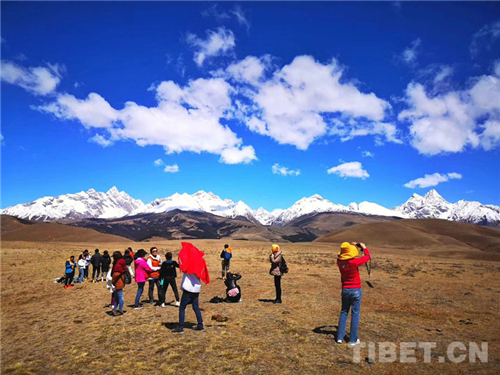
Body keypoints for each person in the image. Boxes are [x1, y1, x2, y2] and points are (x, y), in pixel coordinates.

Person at [336, 242, 371, 346]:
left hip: (345, 289)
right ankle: (353, 340)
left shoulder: (339, 261)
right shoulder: (354, 262)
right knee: (355, 313)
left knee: (344, 312)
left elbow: (346, 255)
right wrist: (364, 247)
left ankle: (339, 337)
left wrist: (351, 246)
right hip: (355, 289)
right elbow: (367, 257)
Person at [172, 242, 210, 334]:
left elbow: (183, 266)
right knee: (196, 307)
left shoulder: (188, 263)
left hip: (188, 289)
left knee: (182, 307)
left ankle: (181, 327)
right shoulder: (199, 262)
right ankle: (200, 325)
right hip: (196, 288)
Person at [111, 251, 127, 316]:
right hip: (121, 281)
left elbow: (116, 274)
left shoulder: (117, 265)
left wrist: (113, 281)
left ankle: (120, 309)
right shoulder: (122, 262)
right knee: (117, 296)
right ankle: (115, 309)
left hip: (118, 282)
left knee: (120, 296)